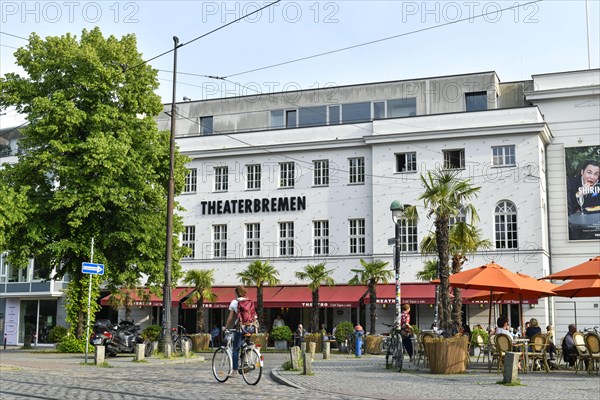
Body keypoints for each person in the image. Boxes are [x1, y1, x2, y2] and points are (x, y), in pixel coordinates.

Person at [224, 285, 250, 376]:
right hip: (250, 327)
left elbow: (230, 317)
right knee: (244, 344)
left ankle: (234, 371)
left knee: (235, 349)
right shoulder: (248, 301)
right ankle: (246, 361)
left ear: (236, 293)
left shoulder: (234, 302)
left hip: (240, 327)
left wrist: (226, 327)